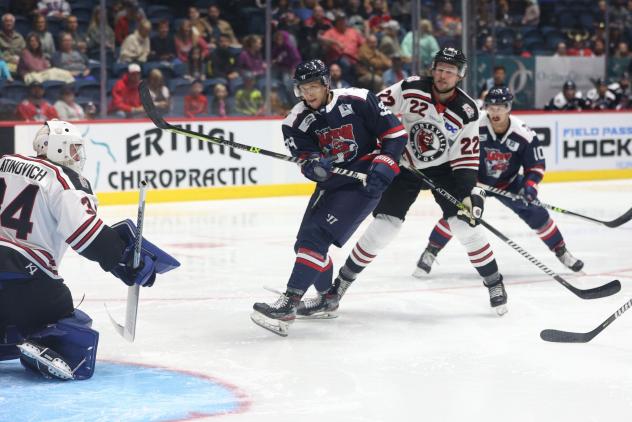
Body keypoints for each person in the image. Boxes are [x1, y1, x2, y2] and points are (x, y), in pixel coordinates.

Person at [324, 48, 509, 316]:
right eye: (440, 69)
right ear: (433, 69)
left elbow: (466, 156)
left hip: (444, 169)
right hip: (405, 165)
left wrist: (470, 192)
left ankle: (494, 282)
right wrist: (384, 145)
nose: (444, 75)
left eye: (450, 71)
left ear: (460, 76)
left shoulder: (468, 110)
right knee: (385, 226)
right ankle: (339, 286)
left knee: (463, 225)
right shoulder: (410, 87)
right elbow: (375, 110)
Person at [0, 120, 179, 380]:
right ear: (57, 148)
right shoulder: (63, 178)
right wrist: (124, 259)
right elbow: (87, 235)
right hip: (26, 278)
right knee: (70, 321)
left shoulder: (4, 161)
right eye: (72, 149)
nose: (77, 156)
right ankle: (49, 344)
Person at [250, 59, 407, 336]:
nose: (308, 94)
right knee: (304, 245)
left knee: (316, 239)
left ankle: (289, 304)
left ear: (326, 84)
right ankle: (327, 298)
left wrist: (384, 163)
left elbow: (395, 134)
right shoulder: (295, 122)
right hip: (332, 186)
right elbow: (306, 158)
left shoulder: (359, 100)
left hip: (363, 183)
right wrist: (313, 167)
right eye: (302, 88)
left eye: (313, 87)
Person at [415, 87, 584, 279]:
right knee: (458, 213)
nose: (495, 112)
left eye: (500, 107)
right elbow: (451, 149)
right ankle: (431, 251)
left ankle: (562, 252)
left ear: (509, 107)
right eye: (491, 107)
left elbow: (536, 165)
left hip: (508, 182)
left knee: (537, 214)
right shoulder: (474, 125)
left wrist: (530, 185)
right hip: (475, 182)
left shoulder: (523, 133)